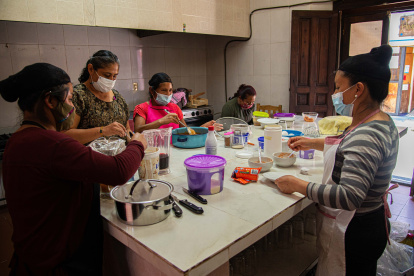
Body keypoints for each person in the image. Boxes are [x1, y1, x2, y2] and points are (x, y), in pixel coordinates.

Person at [0, 63, 147, 275]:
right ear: (50, 101)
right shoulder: (53, 144)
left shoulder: (18, 140)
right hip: (59, 263)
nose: (73, 107)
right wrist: (138, 143)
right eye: (69, 100)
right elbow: (119, 171)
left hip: (32, 256)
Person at [274, 45, 399, 276]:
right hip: (370, 223)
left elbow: (349, 197)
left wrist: (298, 185)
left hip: (356, 231)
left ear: (358, 89)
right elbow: (346, 146)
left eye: (339, 87)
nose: (336, 94)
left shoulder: (367, 135)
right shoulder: (379, 121)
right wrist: (311, 143)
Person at [65, 50, 130, 145]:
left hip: (119, 156)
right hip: (91, 157)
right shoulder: (78, 96)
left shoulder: (117, 97)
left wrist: (134, 140)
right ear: (91, 69)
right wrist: (102, 131)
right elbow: (66, 134)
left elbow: (127, 128)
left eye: (115, 76)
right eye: (107, 75)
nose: (111, 80)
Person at [133, 72, 221, 133]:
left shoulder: (174, 108)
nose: (168, 94)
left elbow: (186, 132)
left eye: (170, 90)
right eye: (164, 90)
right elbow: (138, 130)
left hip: (175, 151)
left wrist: (202, 128)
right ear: (152, 90)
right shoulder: (142, 108)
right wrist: (160, 122)